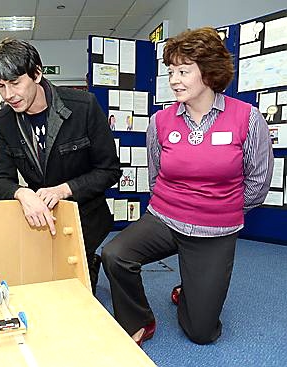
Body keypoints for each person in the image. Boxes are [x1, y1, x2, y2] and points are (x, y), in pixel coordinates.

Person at [101, 27, 273, 347]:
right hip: (165, 218)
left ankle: (188, 292)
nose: (174, 79)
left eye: (183, 71)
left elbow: (258, 183)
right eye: (171, 71)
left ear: (208, 71)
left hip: (215, 229)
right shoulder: (161, 121)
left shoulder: (247, 118)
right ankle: (139, 320)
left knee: (201, 333)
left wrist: (220, 207)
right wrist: (176, 205)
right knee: (115, 255)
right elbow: (156, 177)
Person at [0, 38, 121, 293]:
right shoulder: (4, 120)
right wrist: (21, 192)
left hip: (86, 218)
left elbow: (110, 170)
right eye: (1, 86)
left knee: (78, 295)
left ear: (37, 73)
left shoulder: (83, 106)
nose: (8, 95)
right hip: (40, 219)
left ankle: (92, 262)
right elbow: (0, 179)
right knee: (46, 290)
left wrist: (63, 190)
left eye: (15, 83)